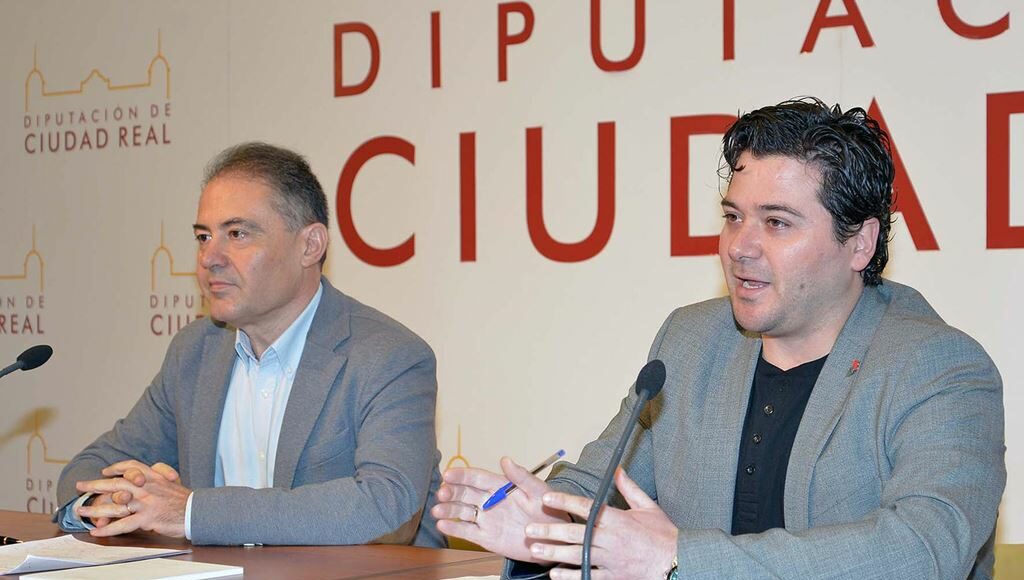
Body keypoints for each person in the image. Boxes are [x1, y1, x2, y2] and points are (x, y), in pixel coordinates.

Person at [432, 98, 1006, 579]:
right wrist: (547, 528)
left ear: (860, 243)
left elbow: (924, 549)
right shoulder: (691, 341)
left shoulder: (938, 366)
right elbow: (601, 486)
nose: (739, 246)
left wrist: (678, 557)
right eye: (733, 217)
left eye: (776, 223)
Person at [56, 142, 445, 547]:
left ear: (310, 245)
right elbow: (89, 469)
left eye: (237, 234)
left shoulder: (386, 356)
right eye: (203, 236)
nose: (209, 258)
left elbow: (388, 510)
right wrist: (114, 499)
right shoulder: (196, 351)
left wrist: (191, 512)